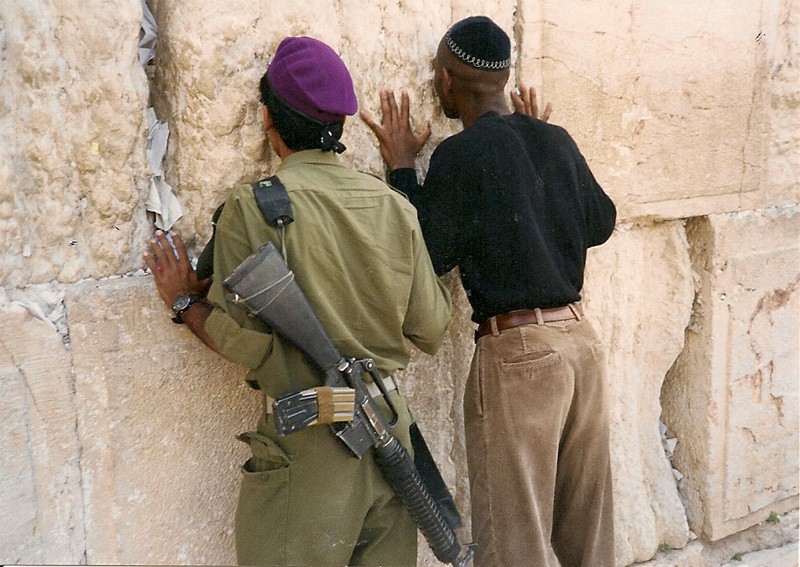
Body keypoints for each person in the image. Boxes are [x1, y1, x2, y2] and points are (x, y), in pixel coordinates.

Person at [143, 36, 452, 566]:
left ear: (267, 118)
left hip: (310, 454)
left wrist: (183, 304)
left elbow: (248, 344)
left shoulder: (250, 208)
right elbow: (431, 327)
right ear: (341, 126)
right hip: (388, 439)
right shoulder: (395, 207)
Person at [361, 15, 617, 567]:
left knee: (513, 540)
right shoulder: (555, 139)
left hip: (520, 356)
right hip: (581, 347)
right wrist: (542, 149)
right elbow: (600, 222)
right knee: (589, 539)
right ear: (504, 81)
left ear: (447, 82)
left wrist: (403, 169)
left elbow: (428, 254)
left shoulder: (459, 156)